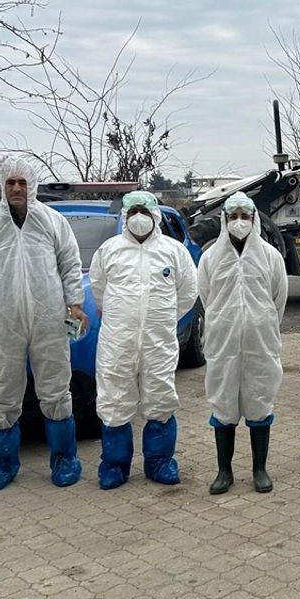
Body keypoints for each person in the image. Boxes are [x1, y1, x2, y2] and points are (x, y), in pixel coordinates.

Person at [0, 155, 87, 492]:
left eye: (22, 182)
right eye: (10, 183)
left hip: (48, 319)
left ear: (32, 186)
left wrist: (75, 304)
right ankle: (2, 462)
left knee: (56, 389)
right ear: (2, 186)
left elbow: (70, 265)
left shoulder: (53, 221)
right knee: (4, 392)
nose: (16, 188)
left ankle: (64, 458)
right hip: (4, 320)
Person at [89, 191, 197, 490]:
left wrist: (160, 320)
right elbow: (99, 289)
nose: (139, 216)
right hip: (117, 342)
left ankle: (160, 462)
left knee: (161, 399)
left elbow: (188, 292)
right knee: (114, 401)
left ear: (156, 215)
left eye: (144, 210)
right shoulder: (109, 250)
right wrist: (123, 318)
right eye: (133, 210)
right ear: (125, 215)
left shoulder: (173, 251)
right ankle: (114, 465)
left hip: (157, 342)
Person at [196, 192, 289, 494]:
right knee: (223, 403)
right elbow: (205, 296)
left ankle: (259, 470)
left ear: (254, 220)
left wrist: (261, 323)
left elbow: (279, 300)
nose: (239, 222)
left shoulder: (270, 256)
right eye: (233, 216)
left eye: (244, 216)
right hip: (222, 344)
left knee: (259, 401)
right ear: (224, 220)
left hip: (260, 343)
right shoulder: (210, 258)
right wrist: (225, 321)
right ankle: (224, 471)